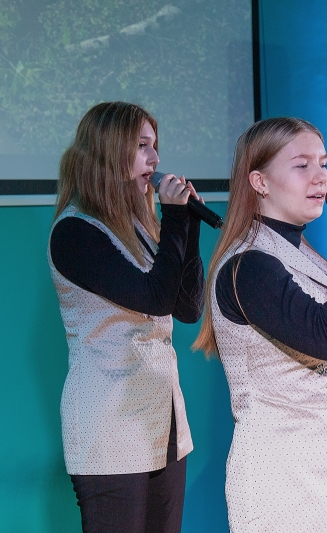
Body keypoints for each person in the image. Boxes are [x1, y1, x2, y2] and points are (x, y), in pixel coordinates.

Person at [193, 117, 327, 532]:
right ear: (260, 182)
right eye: (302, 165)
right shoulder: (249, 265)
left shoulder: (301, 253)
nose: (320, 177)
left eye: (323, 163)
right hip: (283, 482)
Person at [47, 101, 204, 533]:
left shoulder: (140, 228)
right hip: (110, 426)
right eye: (141, 146)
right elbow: (153, 298)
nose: (155, 159)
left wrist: (188, 228)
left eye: (155, 145)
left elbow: (187, 308)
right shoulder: (75, 231)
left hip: (163, 423)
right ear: (107, 151)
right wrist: (173, 218)